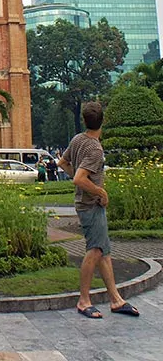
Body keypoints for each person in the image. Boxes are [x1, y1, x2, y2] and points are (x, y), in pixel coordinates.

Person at [59, 101, 139, 319]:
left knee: (104, 251)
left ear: (84, 120)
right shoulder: (94, 148)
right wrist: (100, 192)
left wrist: (83, 181)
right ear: (103, 120)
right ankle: (84, 300)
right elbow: (79, 178)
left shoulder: (78, 139)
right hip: (90, 206)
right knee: (95, 250)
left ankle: (116, 299)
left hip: (86, 203)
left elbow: (62, 163)